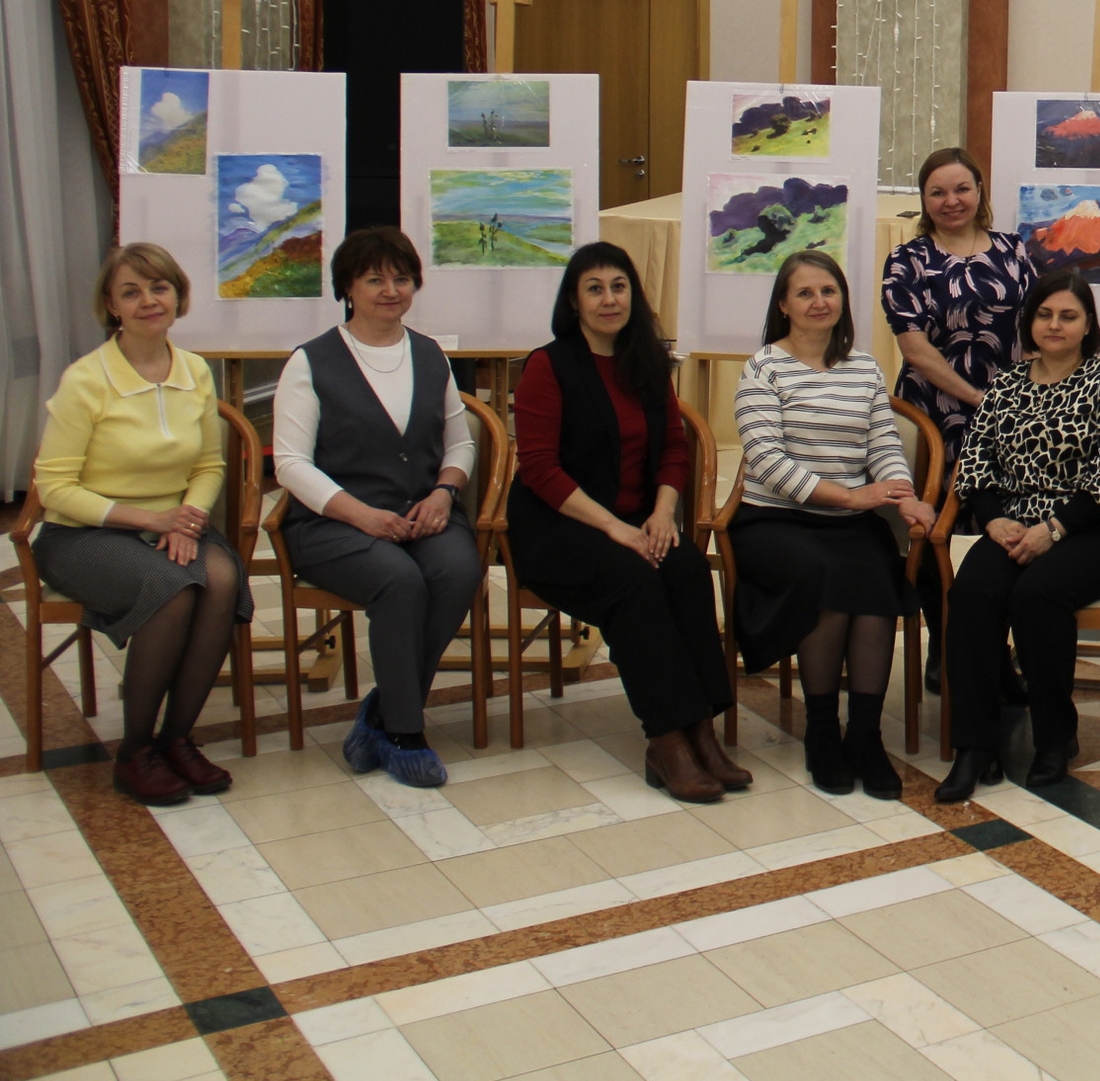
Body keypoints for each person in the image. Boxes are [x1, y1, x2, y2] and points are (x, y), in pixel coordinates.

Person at [509, 242, 745, 803]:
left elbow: (673, 449)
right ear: (574, 301)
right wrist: (614, 528)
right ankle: (667, 742)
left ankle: (702, 731)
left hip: (637, 521)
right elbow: (539, 468)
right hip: (559, 529)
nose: (609, 299)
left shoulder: (647, 362)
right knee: (635, 581)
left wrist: (663, 513)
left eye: (618, 287)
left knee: (686, 570)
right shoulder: (548, 365)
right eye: (594, 289)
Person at [31, 245, 251, 805]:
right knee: (172, 589)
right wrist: (152, 518)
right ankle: (135, 752)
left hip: (173, 521)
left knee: (223, 579)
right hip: (83, 532)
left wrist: (185, 522)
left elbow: (208, 466)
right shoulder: (85, 380)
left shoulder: (195, 370)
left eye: (159, 288)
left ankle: (177, 739)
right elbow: (55, 487)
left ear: (178, 296)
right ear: (112, 305)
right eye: (131, 292)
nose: (148, 301)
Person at [273, 228, 483, 788]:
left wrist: (444, 492)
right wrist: (362, 515)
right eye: (374, 279)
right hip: (333, 523)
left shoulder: (430, 354)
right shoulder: (310, 362)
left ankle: (383, 710)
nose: (391, 291)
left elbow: (460, 443)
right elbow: (290, 464)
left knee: (459, 570)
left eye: (402, 278)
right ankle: (404, 732)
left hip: (423, 512)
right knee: (399, 581)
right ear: (347, 287)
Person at [935, 271, 1100, 803]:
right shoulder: (1007, 384)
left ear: (1088, 324)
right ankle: (974, 745)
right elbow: (975, 462)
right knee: (973, 591)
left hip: (1094, 526)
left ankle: (1055, 736)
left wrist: (1054, 529)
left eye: (1068, 316)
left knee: (1038, 594)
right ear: (1030, 321)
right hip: (1014, 523)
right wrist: (991, 519)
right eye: (1045, 314)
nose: (1055, 325)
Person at [731, 252, 938, 799]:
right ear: (783, 304)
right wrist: (850, 496)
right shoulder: (763, 368)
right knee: (824, 575)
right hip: (775, 519)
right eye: (805, 293)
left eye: (829, 291)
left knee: (876, 578)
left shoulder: (863, 369)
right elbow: (766, 461)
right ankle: (822, 731)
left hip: (849, 519)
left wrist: (905, 497)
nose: (819, 302)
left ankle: (865, 736)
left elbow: (883, 445)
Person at [881, 147, 1034, 689]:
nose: (952, 201)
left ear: (979, 191)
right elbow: (915, 349)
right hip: (933, 414)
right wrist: (976, 398)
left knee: (1007, 522)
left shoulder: (1014, 250)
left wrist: (1022, 398)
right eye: (938, 192)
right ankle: (944, 643)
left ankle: (995, 648)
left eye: (962, 189)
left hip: (1009, 415)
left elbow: (1036, 331)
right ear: (924, 200)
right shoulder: (907, 260)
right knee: (931, 527)